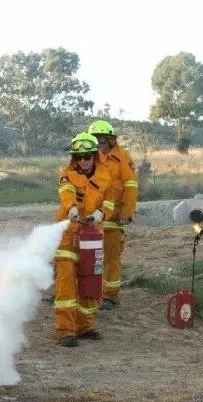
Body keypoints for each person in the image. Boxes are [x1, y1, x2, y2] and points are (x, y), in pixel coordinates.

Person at [54, 132, 114, 347]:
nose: (83, 161)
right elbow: (66, 193)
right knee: (66, 285)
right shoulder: (67, 174)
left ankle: (84, 327)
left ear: (94, 155)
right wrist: (71, 208)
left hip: (92, 236)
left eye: (87, 156)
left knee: (91, 280)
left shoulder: (105, 176)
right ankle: (65, 331)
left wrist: (100, 213)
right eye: (78, 157)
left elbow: (109, 201)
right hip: (68, 236)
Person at [88, 120, 138, 310]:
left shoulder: (122, 158)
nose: (99, 143)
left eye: (102, 139)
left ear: (110, 139)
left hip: (114, 217)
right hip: (92, 215)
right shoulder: (90, 158)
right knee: (88, 256)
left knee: (110, 257)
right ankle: (88, 291)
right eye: (95, 140)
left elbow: (131, 186)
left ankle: (110, 296)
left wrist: (127, 212)